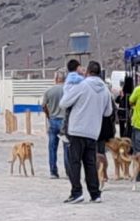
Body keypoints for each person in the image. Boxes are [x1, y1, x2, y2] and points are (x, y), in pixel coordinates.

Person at [59, 61, 110, 204]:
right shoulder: (105, 89)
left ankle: (76, 192)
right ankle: (95, 194)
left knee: (74, 162)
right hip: (93, 131)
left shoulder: (82, 85)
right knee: (90, 163)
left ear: (87, 71)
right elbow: (108, 112)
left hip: (77, 129)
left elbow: (64, 103)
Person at [42, 71, 67, 179]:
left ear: (56, 79)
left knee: (52, 147)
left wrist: (49, 115)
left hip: (53, 120)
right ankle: (69, 170)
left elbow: (43, 105)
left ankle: (53, 171)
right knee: (67, 148)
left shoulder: (49, 91)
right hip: (65, 121)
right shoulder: (68, 90)